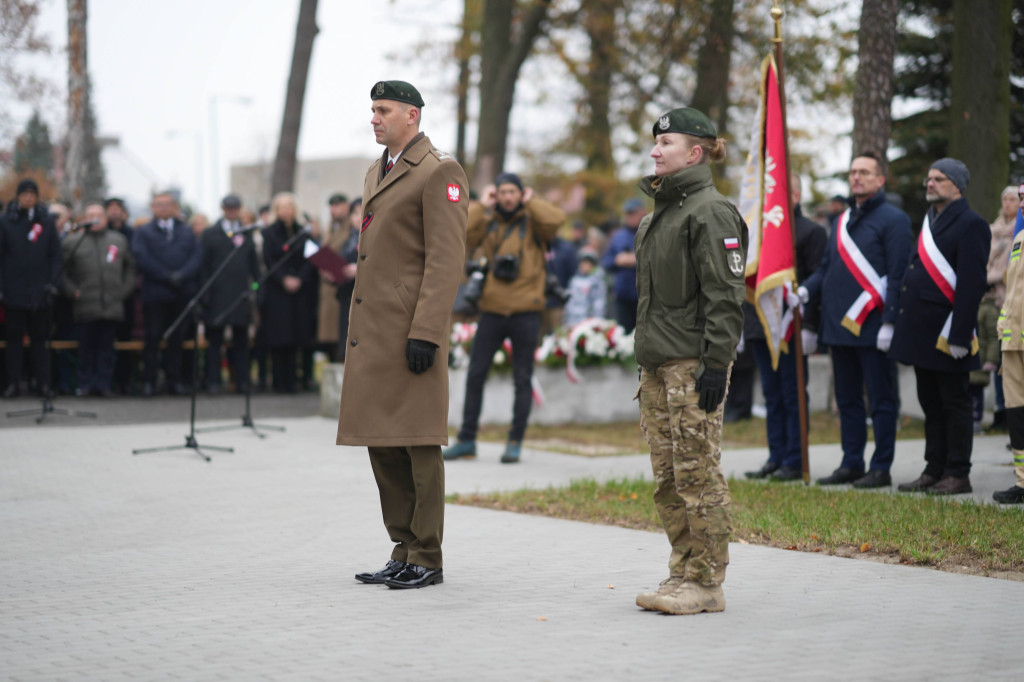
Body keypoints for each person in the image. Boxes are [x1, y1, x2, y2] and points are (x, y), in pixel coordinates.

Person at [337, 80, 467, 590]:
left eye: (383, 110)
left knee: (417, 443)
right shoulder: (379, 169)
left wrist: (428, 332)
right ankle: (402, 547)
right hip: (375, 329)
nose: (374, 118)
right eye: (372, 109)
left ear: (411, 115)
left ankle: (427, 556)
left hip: (412, 330)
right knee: (382, 442)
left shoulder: (439, 171)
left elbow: (445, 259)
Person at [632, 107, 746, 616]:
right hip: (657, 366)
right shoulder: (659, 212)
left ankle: (707, 581)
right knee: (668, 479)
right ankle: (681, 570)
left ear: (695, 153)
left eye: (667, 143)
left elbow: (725, 298)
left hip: (692, 366)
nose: (655, 150)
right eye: (655, 143)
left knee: (698, 475)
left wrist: (716, 366)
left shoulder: (710, 212)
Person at [796, 152, 912, 488]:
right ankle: (851, 462)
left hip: (875, 327)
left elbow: (897, 273)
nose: (857, 177)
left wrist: (890, 321)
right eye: (853, 172)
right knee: (847, 399)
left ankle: (881, 466)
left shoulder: (895, 219)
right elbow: (825, 268)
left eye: (864, 172)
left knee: (881, 399)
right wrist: (805, 292)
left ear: (880, 180)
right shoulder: (841, 220)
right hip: (839, 325)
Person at [442, 171, 566, 463]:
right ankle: (467, 439)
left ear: (521, 194)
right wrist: (482, 206)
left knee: (522, 379)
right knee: (475, 375)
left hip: (527, 310)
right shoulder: (489, 220)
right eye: (502, 192)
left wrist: (531, 201)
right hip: (492, 310)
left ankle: (514, 441)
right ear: (495, 195)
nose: (507, 198)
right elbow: (463, 231)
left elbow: (556, 221)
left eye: (513, 192)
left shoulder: (534, 219)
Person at [890, 159, 990, 495]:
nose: (930, 183)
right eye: (929, 177)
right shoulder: (931, 221)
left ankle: (958, 472)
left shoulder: (972, 224)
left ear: (957, 185)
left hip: (949, 334)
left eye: (939, 179)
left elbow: (972, 284)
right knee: (930, 403)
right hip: (922, 333)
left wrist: (960, 334)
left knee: (954, 403)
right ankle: (934, 468)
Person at [745, 174, 827, 481]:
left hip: (794, 327)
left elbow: (818, 281)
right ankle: (776, 456)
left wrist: (811, 328)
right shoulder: (759, 234)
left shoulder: (812, 232)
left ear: (794, 196)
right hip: (761, 326)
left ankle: (795, 459)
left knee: (793, 393)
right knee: (771, 394)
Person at [59, 202, 136, 397]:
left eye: (99, 215)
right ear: (85, 218)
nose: (95, 218)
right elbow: (62, 272)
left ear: (105, 218)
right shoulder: (73, 241)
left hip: (111, 305)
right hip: (85, 305)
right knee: (85, 348)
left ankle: (103, 385)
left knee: (106, 350)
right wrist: (72, 291)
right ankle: (84, 385)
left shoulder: (118, 240)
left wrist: (123, 291)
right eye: (91, 214)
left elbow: (130, 268)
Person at [132, 192, 202, 396]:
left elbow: (196, 256)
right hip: (155, 294)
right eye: (158, 204)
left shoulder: (186, 231)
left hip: (181, 293)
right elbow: (141, 256)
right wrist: (165, 275)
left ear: (174, 207)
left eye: (167, 204)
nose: (163, 208)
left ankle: (174, 380)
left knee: (177, 340)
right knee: (152, 338)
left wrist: (182, 275)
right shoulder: (144, 231)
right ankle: (149, 381)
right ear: (152, 207)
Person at [0, 178, 62, 398]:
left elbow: (55, 255)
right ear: (17, 196)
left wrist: (53, 282)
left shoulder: (46, 221)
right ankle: (13, 383)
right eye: (24, 193)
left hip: (40, 291)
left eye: (32, 194)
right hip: (13, 291)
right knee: (14, 341)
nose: (28, 197)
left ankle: (42, 383)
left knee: (40, 341)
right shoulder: (6, 221)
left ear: (37, 197)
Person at [200, 194, 260, 394]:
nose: (232, 212)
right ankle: (213, 381)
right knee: (215, 342)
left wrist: (257, 289)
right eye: (228, 208)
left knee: (241, 342)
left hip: (240, 295)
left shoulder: (246, 233)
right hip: (217, 296)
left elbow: (254, 268)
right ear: (223, 209)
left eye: (235, 208)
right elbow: (204, 267)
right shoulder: (210, 234)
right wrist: (205, 296)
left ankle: (242, 381)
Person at [260, 192, 318, 393]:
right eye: (281, 207)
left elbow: (311, 260)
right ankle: (278, 381)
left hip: (299, 293)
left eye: (289, 206)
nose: (285, 210)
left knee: (295, 335)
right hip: (278, 292)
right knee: (279, 337)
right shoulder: (268, 233)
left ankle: (294, 380)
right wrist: (284, 278)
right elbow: (270, 261)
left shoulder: (304, 233)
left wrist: (299, 279)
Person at [993, 183, 1024, 504]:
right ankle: (1022, 481)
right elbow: (1011, 290)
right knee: (1016, 413)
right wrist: (1003, 325)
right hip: (1013, 342)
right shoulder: (1018, 239)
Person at [981, 186, 1021, 430]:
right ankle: (999, 410)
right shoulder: (992, 229)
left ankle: (1011, 414)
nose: (1007, 203)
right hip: (990, 300)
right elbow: (983, 261)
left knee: (1009, 356)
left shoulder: (1018, 231)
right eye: (1004, 199)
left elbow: (1008, 270)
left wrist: (992, 274)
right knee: (994, 358)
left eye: (1013, 199)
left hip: (1010, 298)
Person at [316, 194, 351, 361]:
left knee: (341, 330)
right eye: (331, 206)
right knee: (330, 334)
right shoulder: (331, 228)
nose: (333, 209)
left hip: (342, 282)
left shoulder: (349, 227)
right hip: (328, 284)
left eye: (337, 205)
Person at [602, 198, 645, 332]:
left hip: (644, 297)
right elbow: (605, 262)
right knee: (623, 336)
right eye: (627, 213)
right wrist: (618, 260)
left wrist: (637, 260)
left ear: (642, 213)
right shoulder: (618, 236)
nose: (629, 217)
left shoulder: (650, 232)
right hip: (622, 296)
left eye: (633, 213)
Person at [563, 248, 606, 327]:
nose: (585, 266)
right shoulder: (574, 281)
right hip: (573, 320)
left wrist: (596, 321)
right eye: (583, 263)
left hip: (589, 320)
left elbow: (599, 303)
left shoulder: (596, 282)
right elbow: (569, 301)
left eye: (588, 263)